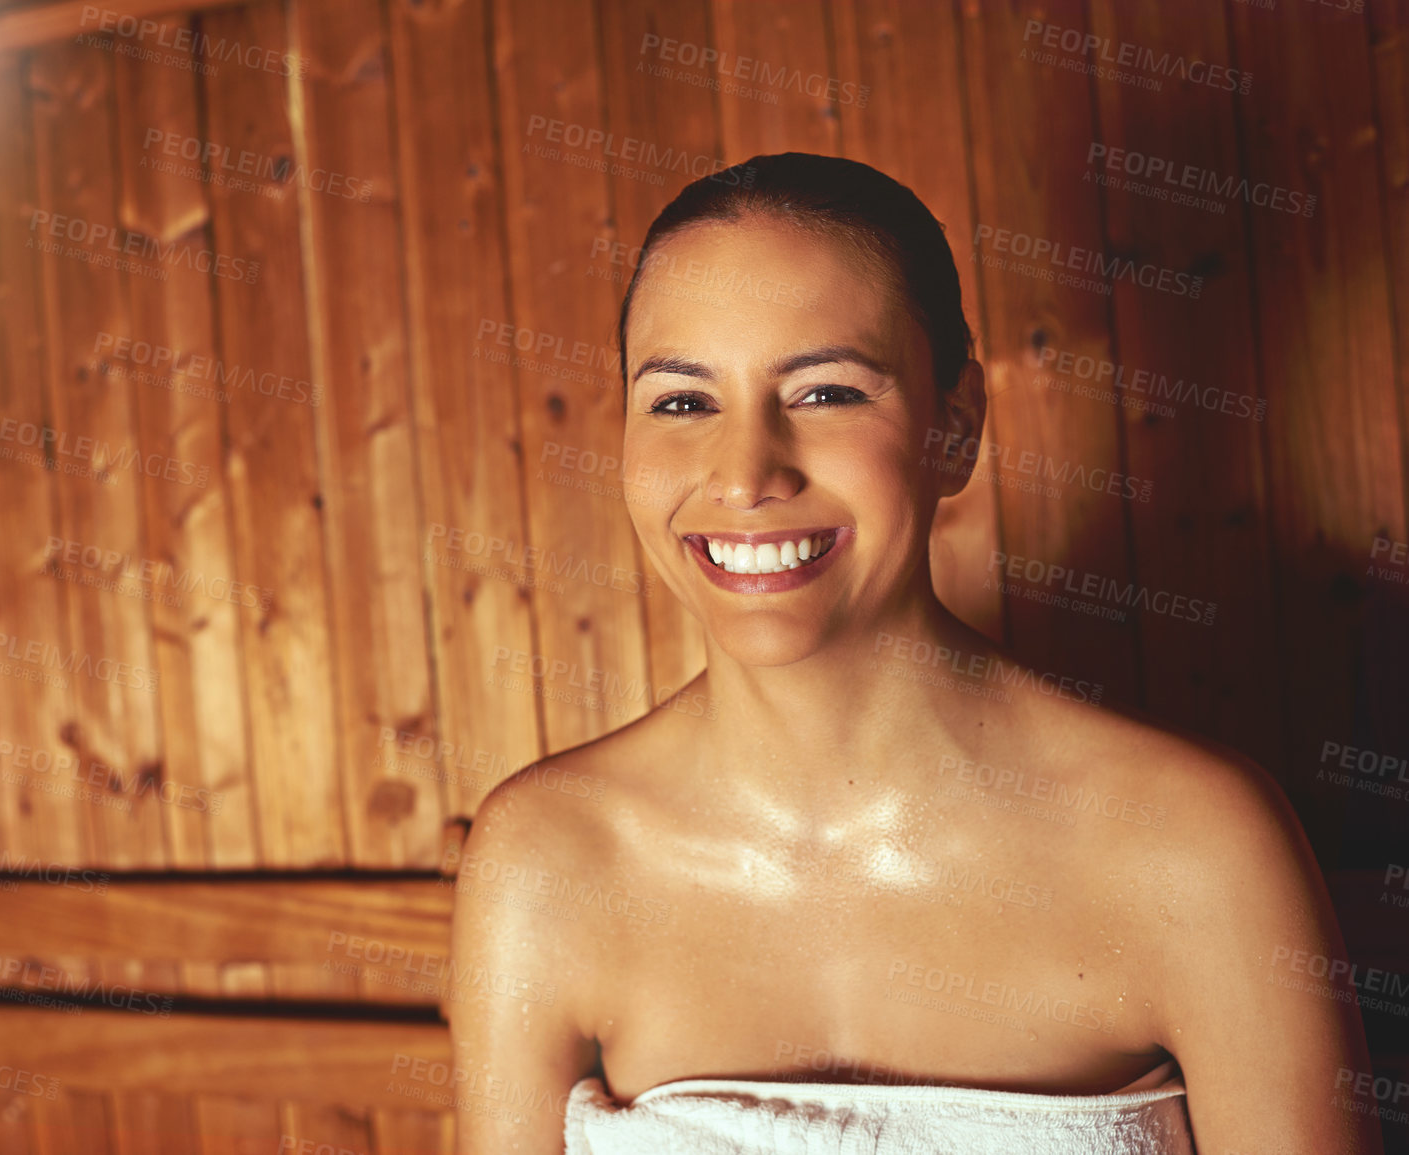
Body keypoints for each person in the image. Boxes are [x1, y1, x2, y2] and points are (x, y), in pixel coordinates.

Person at [446, 153, 1380, 1155]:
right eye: (682, 402)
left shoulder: (1199, 845)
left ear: (956, 427)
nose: (746, 474)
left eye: (827, 392)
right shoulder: (544, 861)